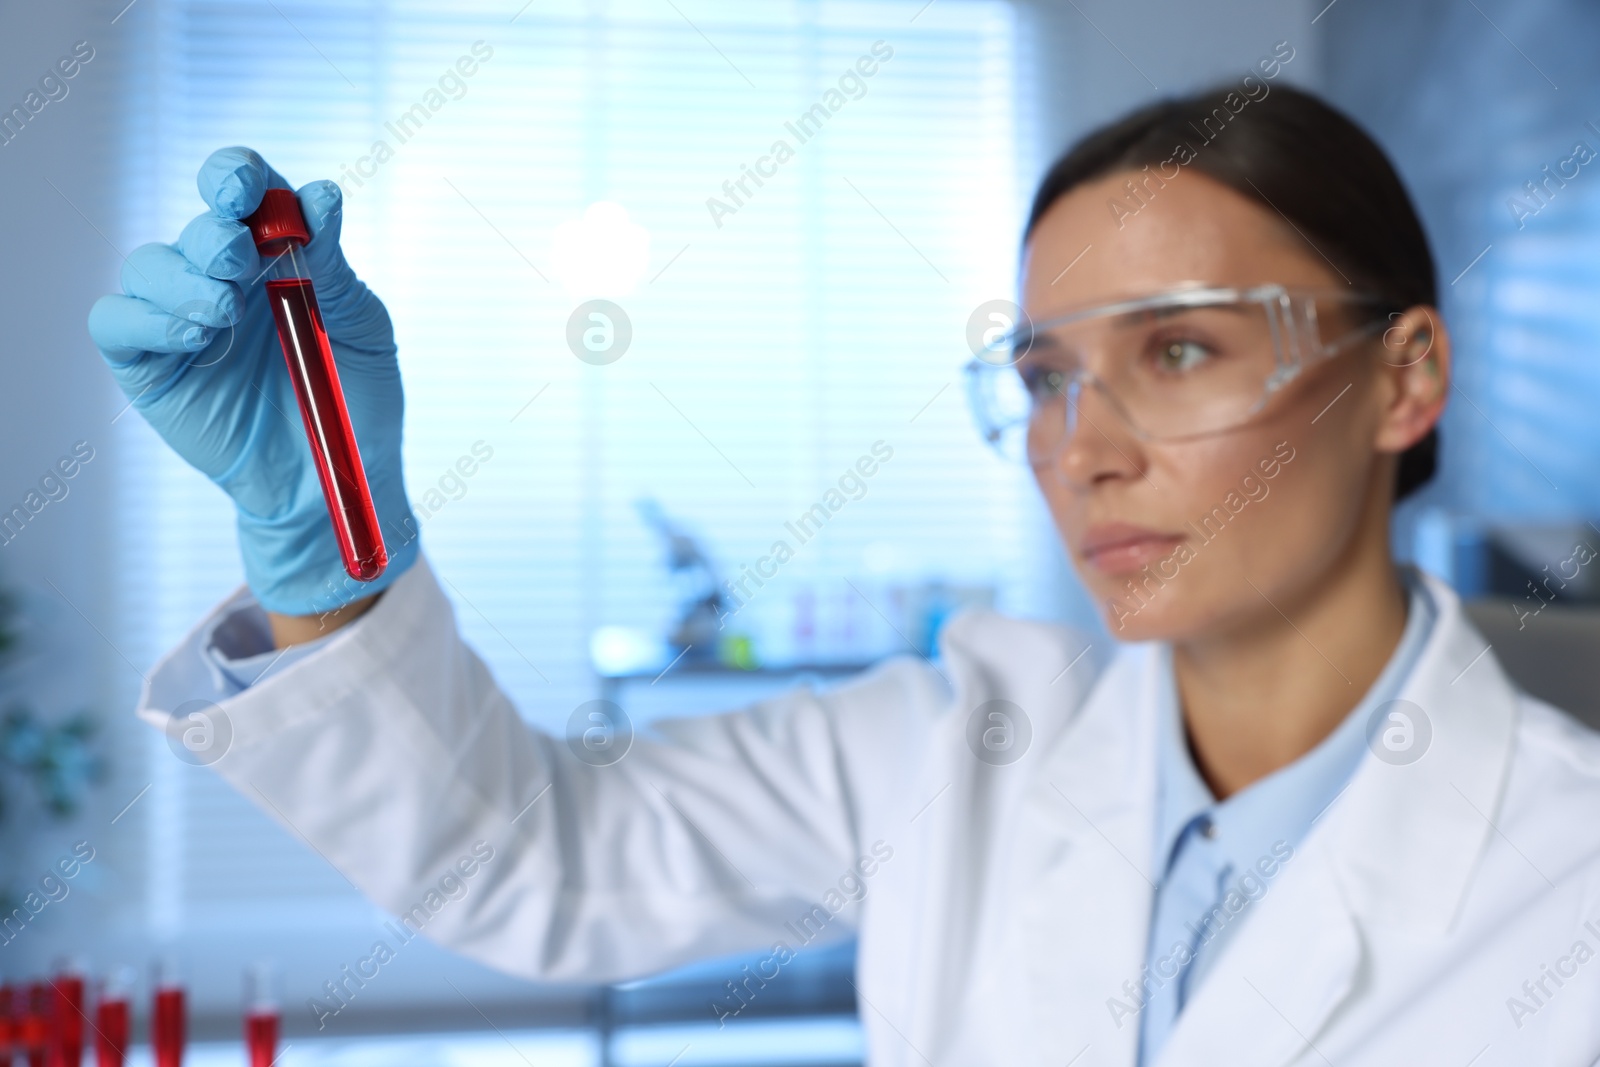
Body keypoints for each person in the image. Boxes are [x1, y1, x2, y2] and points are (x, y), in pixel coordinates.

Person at [90, 83, 1600, 1065]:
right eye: (1045, 375)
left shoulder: (1566, 896)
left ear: (1404, 380)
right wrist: (329, 544)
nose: (1081, 448)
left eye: (1181, 349)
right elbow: (533, 860)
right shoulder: (962, 744)